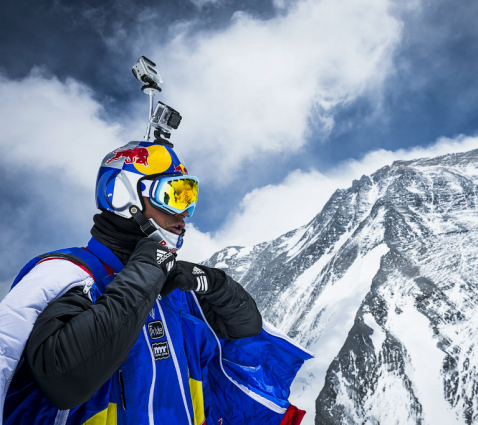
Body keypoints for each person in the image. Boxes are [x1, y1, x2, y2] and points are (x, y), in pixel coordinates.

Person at [0, 140, 311, 425]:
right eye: (174, 197)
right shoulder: (68, 276)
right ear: (124, 198)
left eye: (189, 199)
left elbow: (244, 331)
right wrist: (149, 266)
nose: (184, 217)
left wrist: (216, 283)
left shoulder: (173, 292)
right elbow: (64, 380)